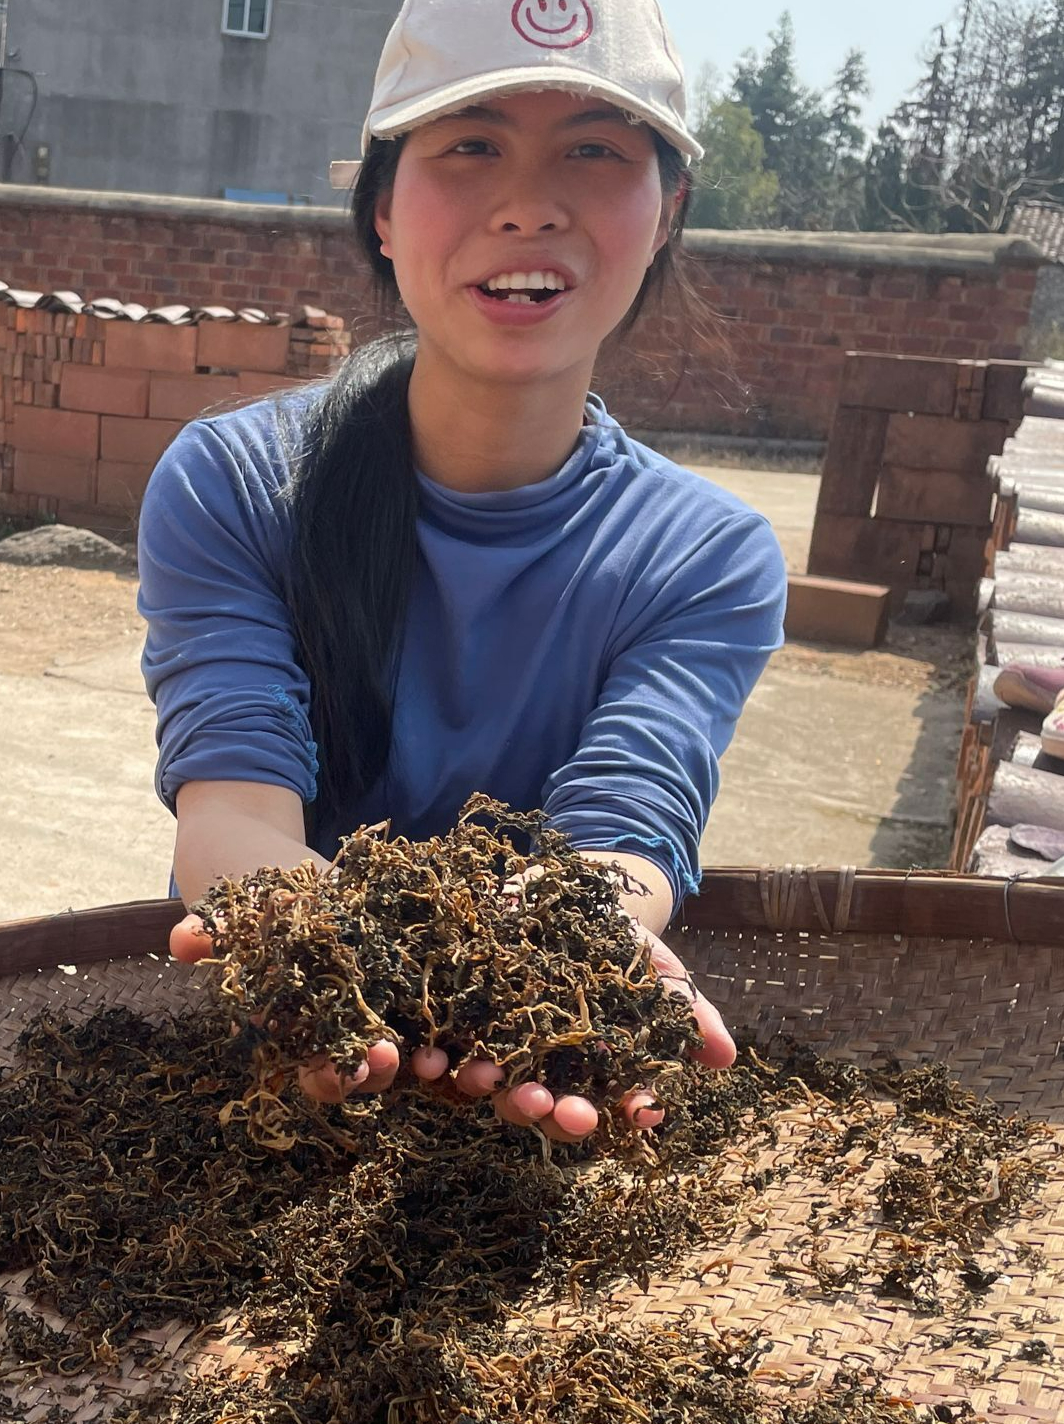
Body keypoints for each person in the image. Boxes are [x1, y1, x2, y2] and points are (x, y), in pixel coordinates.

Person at [136, 0, 789, 1144]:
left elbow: (628, 818)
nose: (529, 204)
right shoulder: (235, 482)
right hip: (294, 1070)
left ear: (669, 210)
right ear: (384, 208)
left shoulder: (707, 554)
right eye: (471, 144)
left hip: (532, 1093)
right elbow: (233, 801)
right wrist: (328, 956)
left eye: (594, 150)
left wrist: (573, 946)